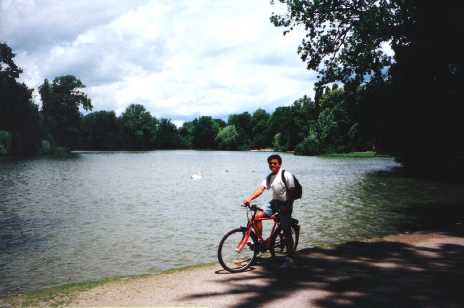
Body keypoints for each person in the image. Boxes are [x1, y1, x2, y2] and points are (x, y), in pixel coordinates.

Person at [242, 154, 296, 258]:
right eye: (270, 164)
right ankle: (259, 242)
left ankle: (290, 258)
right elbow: (260, 189)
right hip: (274, 203)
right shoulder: (270, 177)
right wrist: (249, 198)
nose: (272, 165)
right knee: (255, 217)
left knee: (286, 230)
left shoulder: (287, 175)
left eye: (275, 163)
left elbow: (292, 193)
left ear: (280, 164)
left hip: (286, 204)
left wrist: (286, 208)